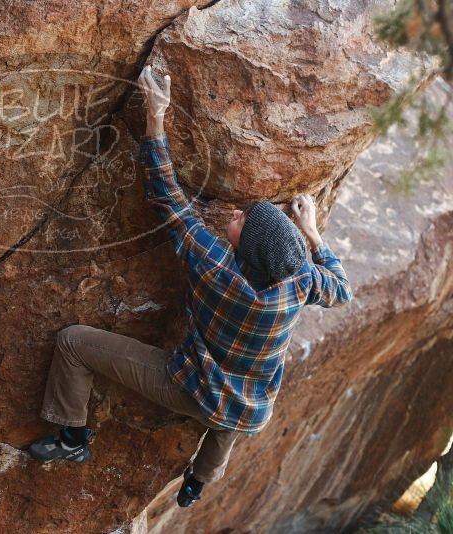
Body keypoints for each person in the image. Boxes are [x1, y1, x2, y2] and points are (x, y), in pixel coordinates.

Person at [27, 66, 353, 508]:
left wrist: (156, 117)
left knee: (72, 343)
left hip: (192, 389)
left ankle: (72, 436)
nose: (235, 214)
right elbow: (342, 290)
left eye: (241, 221)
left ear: (246, 251)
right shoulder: (298, 280)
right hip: (250, 406)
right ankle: (198, 484)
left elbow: (168, 197)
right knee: (229, 426)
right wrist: (313, 234)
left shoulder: (216, 267)